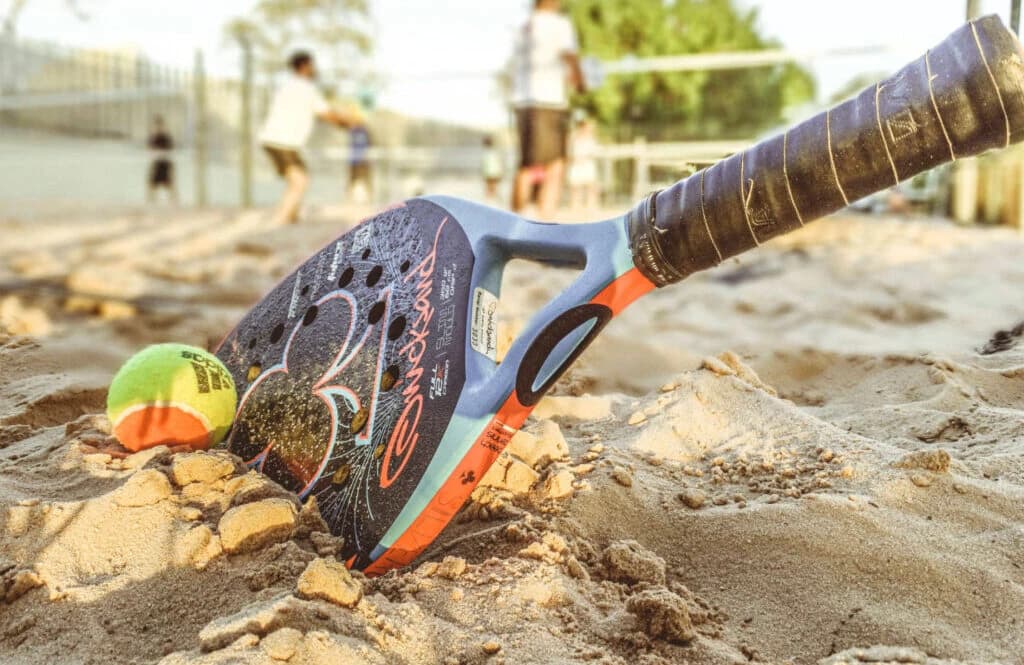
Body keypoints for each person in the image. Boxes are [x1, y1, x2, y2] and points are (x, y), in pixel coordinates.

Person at [259, 51, 358, 225]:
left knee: (296, 179)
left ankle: (291, 216)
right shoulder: (307, 89)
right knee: (300, 181)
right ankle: (279, 221)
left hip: (274, 140)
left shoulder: (287, 87)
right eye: (312, 65)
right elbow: (327, 114)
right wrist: (347, 123)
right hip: (283, 142)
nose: (314, 69)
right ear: (304, 66)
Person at [510, 0, 585, 219]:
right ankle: (545, 224)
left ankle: (513, 224)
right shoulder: (557, 24)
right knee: (555, 165)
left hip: (525, 103)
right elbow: (570, 57)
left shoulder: (524, 25)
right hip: (548, 102)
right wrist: (580, 82)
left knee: (526, 164)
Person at [568, 116, 600, 211]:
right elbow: (570, 150)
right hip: (576, 162)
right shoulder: (574, 137)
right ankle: (575, 204)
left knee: (591, 184)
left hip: (587, 163)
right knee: (575, 185)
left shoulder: (592, 138)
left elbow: (594, 151)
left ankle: (591, 203)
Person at [147, 116, 177, 205]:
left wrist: (171, 167)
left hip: (165, 165)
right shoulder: (153, 138)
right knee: (152, 186)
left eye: (160, 126)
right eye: (156, 126)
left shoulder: (167, 138)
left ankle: (174, 203)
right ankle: (151, 204)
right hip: (156, 165)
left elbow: (170, 152)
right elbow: (150, 151)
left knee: (170, 186)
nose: (158, 128)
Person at [347, 122, 372, 204]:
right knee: (354, 181)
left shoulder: (364, 130)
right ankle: (351, 199)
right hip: (355, 161)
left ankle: (366, 199)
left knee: (363, 181)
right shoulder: (354, 130)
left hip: (362, 161)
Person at [481, 136, 504, 201]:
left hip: (489, 172)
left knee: (489, 186)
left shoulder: (485, 153)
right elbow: (499, 162)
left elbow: (484, 164)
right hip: (494, 172)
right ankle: (493, 197)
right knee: (493, 186)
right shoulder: (495, 152)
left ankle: (490, 197)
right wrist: (500, 171)